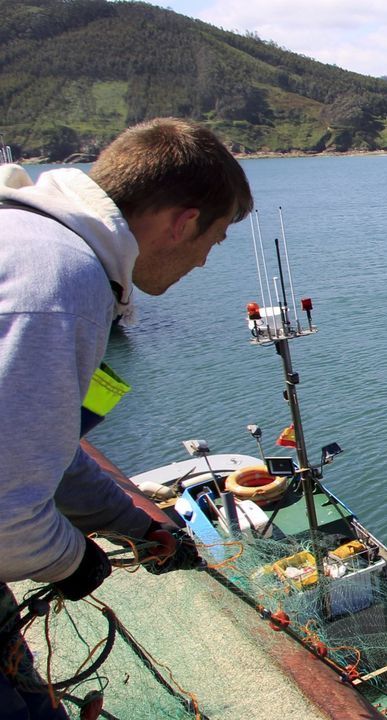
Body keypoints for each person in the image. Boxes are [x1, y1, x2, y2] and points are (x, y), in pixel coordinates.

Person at [0, 118, 253, 719]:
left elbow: (44, 457)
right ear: (182, 222)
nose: (203, 262)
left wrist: (131, 526)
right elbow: (5, 510)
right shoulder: (60, 281)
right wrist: (72, 560)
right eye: (213, 241)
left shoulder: (25, 241)